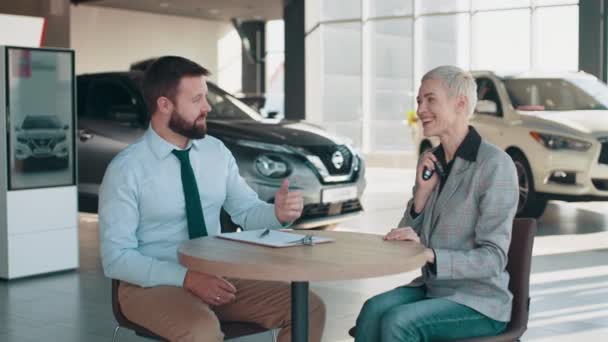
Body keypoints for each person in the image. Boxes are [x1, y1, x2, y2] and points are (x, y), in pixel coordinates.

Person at [99, 56, 325, 342]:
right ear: (164, 105)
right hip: (149, 284)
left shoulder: (216, 152)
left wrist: (277, 214)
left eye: (205, 97)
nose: (207, 107)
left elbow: (246, 211)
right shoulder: (126, 170)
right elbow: (116, 259)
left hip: (217, 276)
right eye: (196, 100)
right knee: (201, 331)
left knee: (308, 308)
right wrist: (186, 279)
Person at [354, 65, 518, 342]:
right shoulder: (433, 162)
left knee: (398, 322)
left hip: (479, 302)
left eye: (430, 99)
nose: (420, 110)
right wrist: (421, 196)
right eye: (419, 101)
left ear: (460, 104)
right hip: (433, 288)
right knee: (372, 309)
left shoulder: (494, 165)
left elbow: (493, 259)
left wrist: (433, 255)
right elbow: (403, 236)